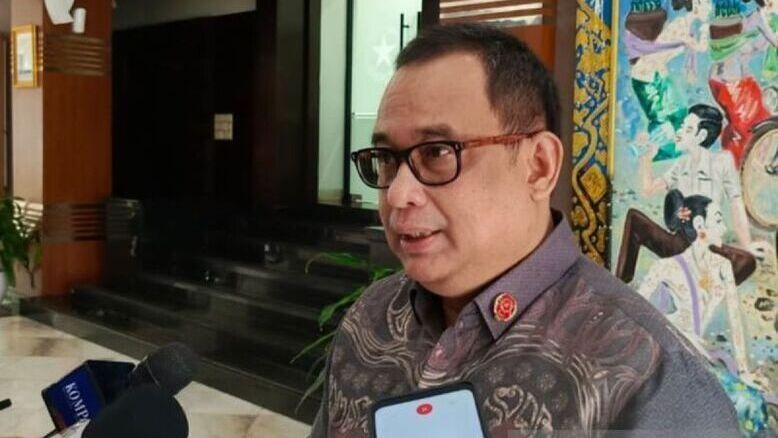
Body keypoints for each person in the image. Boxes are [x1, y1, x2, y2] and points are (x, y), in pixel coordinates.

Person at [308, 23, 739, 437]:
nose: (399, 194)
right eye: (386, 158)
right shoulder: (370, 321)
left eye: (437, 152)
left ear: (539, 166)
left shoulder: (650, 380)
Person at [638, 189, 769, 435]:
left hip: (702, 357)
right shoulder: (665, 267)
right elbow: (634, 311)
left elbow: (735, 319)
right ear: (700, 225)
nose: (723, 228)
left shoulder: (723, 267)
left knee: (752, 406)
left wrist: (744, 372)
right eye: (718, 220)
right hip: (670, 357)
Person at [638, 103, 759, 251]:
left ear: (701, 136)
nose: (679, 132)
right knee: (634, 219)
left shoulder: (721, 161)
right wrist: (647, 159)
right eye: (682, 127)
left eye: (688, 129)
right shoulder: (681, 164)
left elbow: (736, 203)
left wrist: (747, 244)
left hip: (708, 240)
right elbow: (648, 190)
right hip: (681, 241)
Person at [625, 0, 712, 161]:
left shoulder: (688, 26)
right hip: (645, 77)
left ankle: (664, 152)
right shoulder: (680, 25)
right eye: (707, 3)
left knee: (679, 113)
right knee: (661, 121)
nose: (710, 7)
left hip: (659, 74)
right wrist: (706, 29)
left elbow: (673, 53)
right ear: (697, 3)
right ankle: (644, 152)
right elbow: (700, 47)